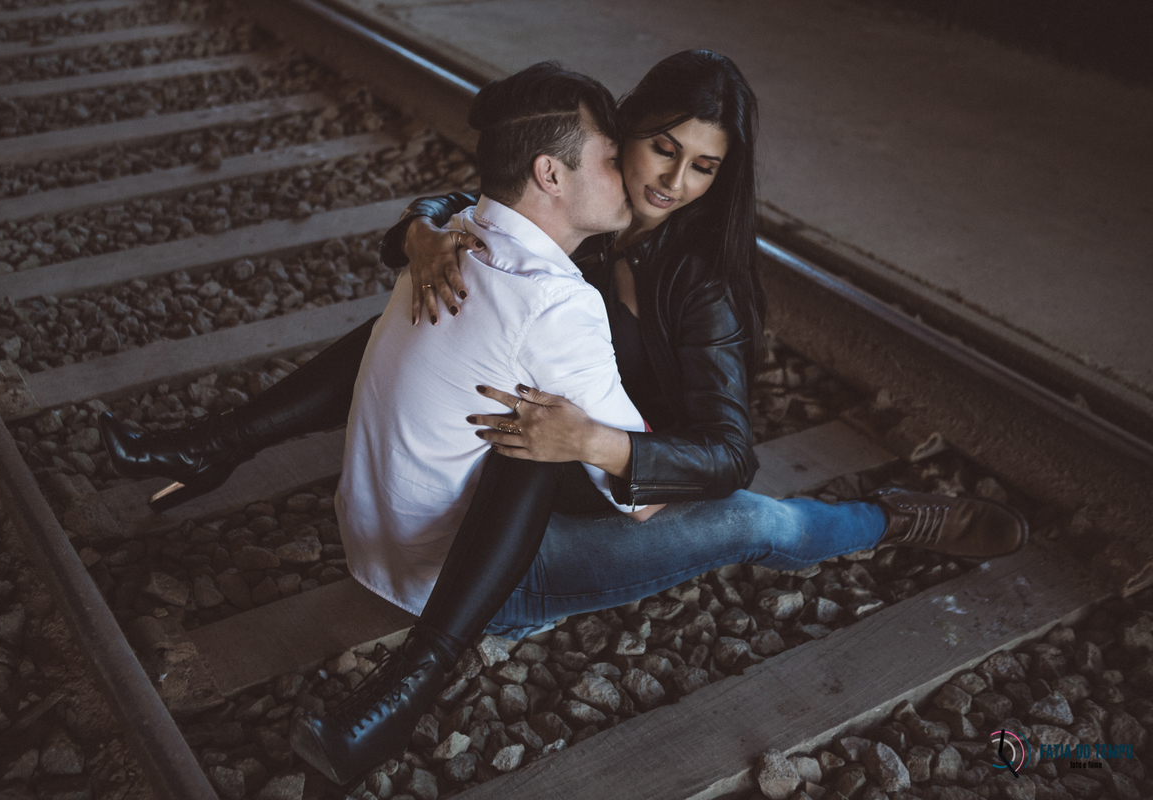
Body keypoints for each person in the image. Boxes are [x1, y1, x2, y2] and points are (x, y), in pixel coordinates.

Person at [101, 51, 1028, 786]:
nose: (675, 180)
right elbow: (480, 201)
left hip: (644, 464)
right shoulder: (570, 210)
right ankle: (221, 444)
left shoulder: (699, 286)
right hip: (553, 451)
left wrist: (599, 445)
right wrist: (427, 228)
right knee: (436, 311)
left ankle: (896, 518)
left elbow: (728, 453)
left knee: (755, 517)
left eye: (705, 167)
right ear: (622, 133)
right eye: (663, 148)